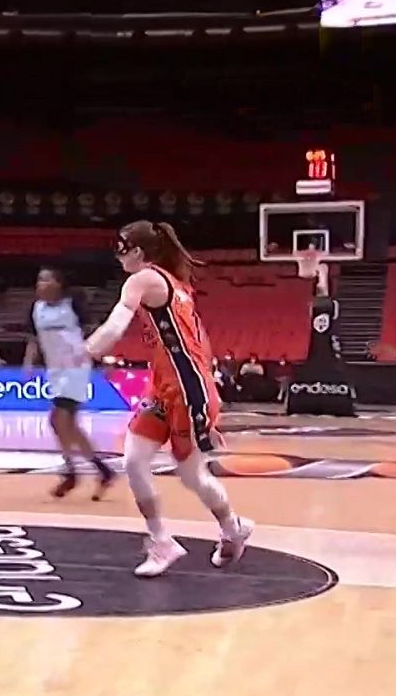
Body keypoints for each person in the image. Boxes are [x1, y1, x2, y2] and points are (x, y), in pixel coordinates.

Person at [84, 220, 252, 577]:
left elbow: (116, 326)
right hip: (164, 387)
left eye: (121, 249)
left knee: (192, 476)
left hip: (189, 391)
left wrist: (86, 351)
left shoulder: (143, 279)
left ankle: (233, 527)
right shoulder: (174, 283)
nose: (117, 257)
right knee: (134, 460)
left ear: (137, 251)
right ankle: (162, 542)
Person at [22, 267, 115, 499]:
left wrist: (104, 357)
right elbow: (33, 338)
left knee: (58, 418)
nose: (40, 284)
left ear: (58, 283)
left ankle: (71, 471)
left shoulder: (72, 304)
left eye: (46, 279)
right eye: (39, 280)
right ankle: (102, 470)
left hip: (76, 367)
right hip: (54, 370)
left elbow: (95, 331)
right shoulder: (36, 308)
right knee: (67, 425)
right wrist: (28, 362)